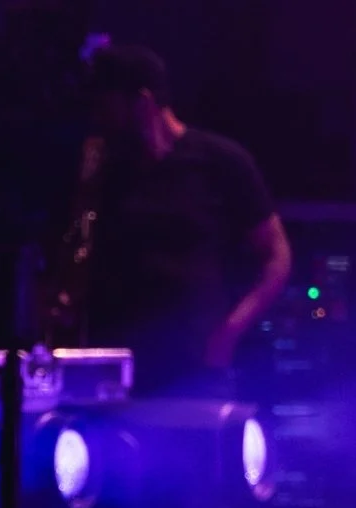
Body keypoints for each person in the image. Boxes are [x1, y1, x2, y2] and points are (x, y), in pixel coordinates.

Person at [77, 43, 291, 395]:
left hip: (196, 371)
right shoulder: (101, 168)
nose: (99, 121)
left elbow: (276, 255)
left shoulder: (220, 161)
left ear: (142, 103)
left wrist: (229, 334)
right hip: (113, 374)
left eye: (106, 108)